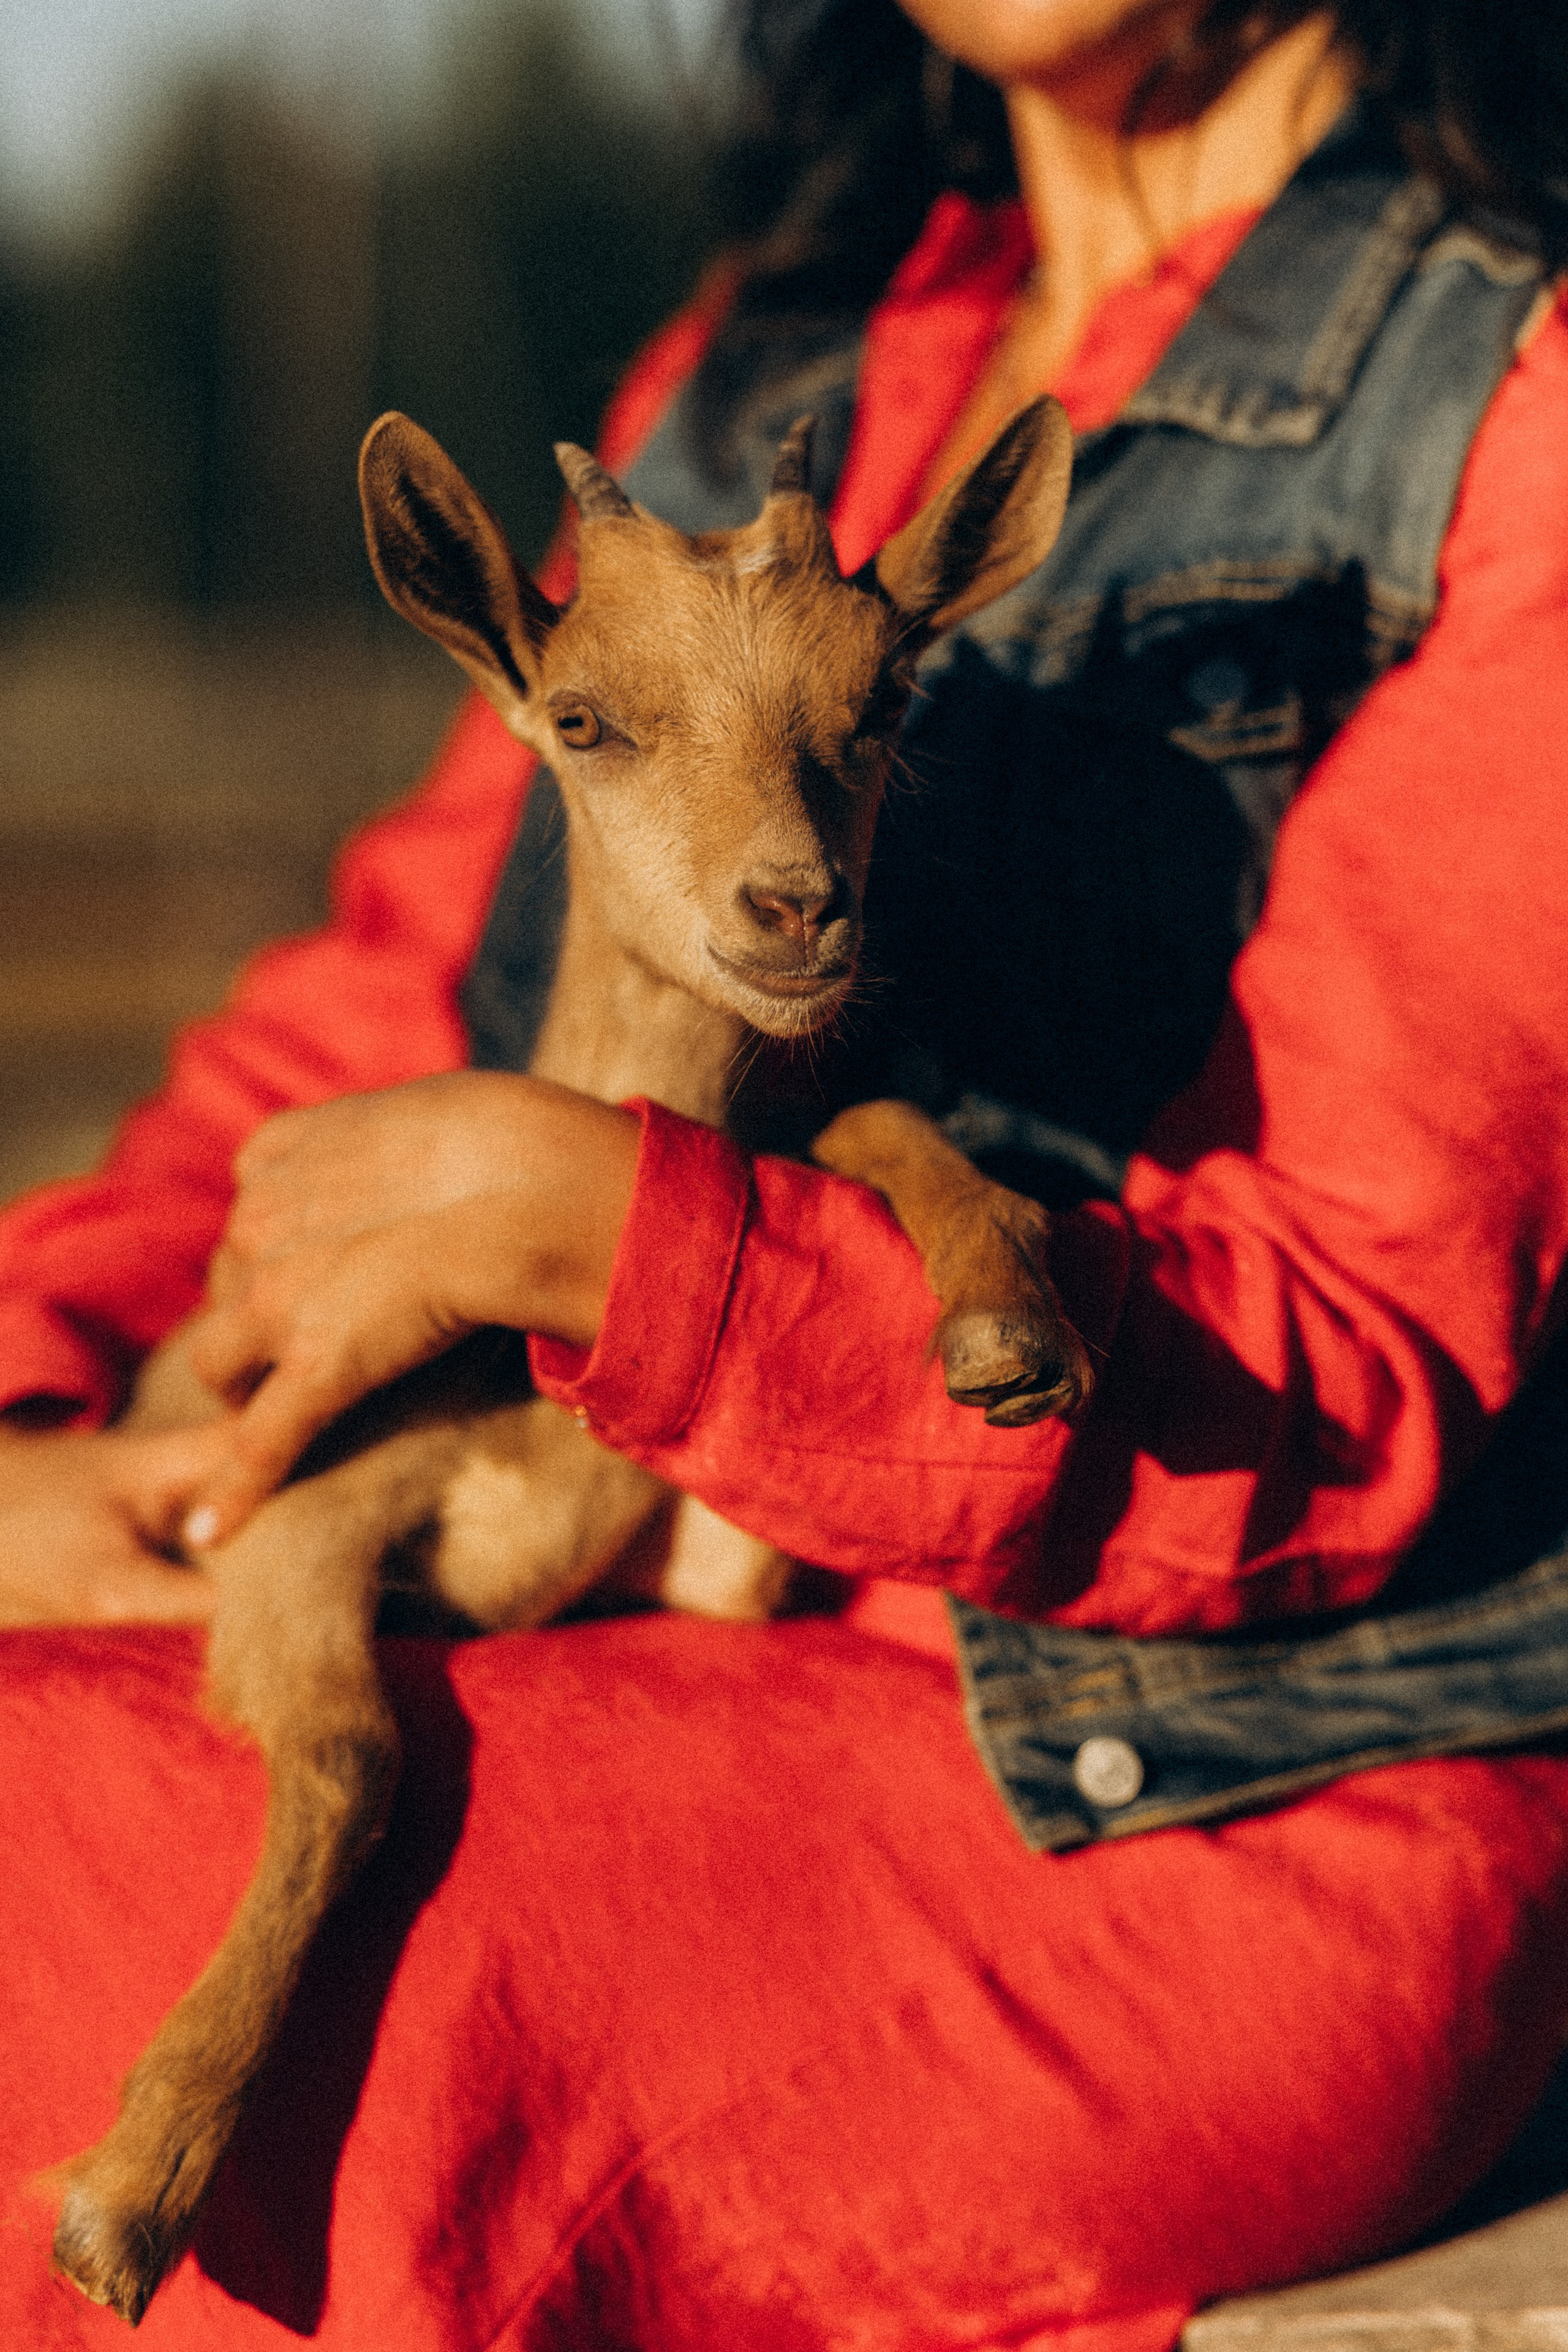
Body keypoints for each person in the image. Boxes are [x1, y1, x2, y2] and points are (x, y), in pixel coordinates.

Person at [4, 0, 1568, 2343]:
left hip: (1189, 1791)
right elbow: (370, 1009)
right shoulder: (782, 364)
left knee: (80, 1890)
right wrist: (32, 1416)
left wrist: (625, 1241)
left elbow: (1353, 1366)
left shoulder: (1521, 388)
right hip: (657, 1620)